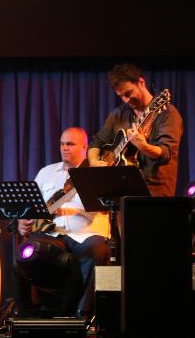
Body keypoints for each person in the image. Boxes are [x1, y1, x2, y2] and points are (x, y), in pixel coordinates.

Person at [17, 127, 111, 316]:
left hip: (86, 235)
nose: (64, 148)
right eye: (62, 144)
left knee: (98, 250)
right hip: (53, 235)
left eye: (70, 144)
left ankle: (82, 313)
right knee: (28, 250)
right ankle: (30, 314)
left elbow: (107, 206)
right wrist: (22, 222)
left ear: (85, 147)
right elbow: (29, 207)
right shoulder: (46, 172)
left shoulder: (96, 172)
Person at [87, 63, 184, 197]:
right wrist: (93, 162)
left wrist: (143, 146)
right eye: (121, 96)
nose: (126, 100)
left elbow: (166, 153)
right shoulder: (118, 115)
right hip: (121, 193)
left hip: (155, 193)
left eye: (128, 93)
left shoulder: (168, 114)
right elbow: (96, 142)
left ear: (141, 82)